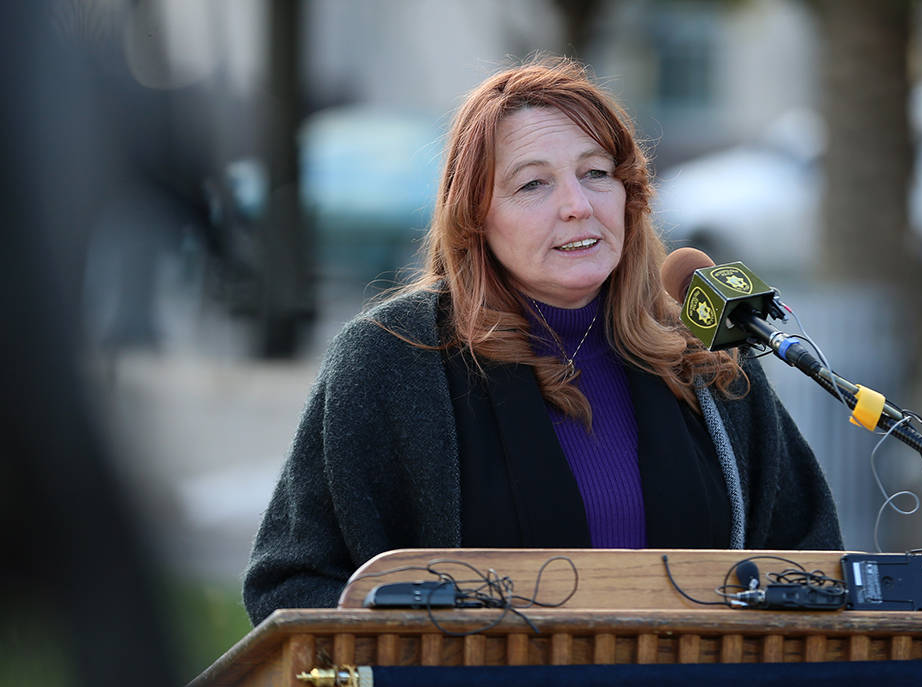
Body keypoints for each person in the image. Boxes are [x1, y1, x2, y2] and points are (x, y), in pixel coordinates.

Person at [243, 58, 840, 625]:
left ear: (630, 198)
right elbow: (293, 583)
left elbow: (809, 561)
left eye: (596, 174)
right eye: (533, 186)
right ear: (475, 216)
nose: (578, 207)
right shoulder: (391, 360)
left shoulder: (703, 355)